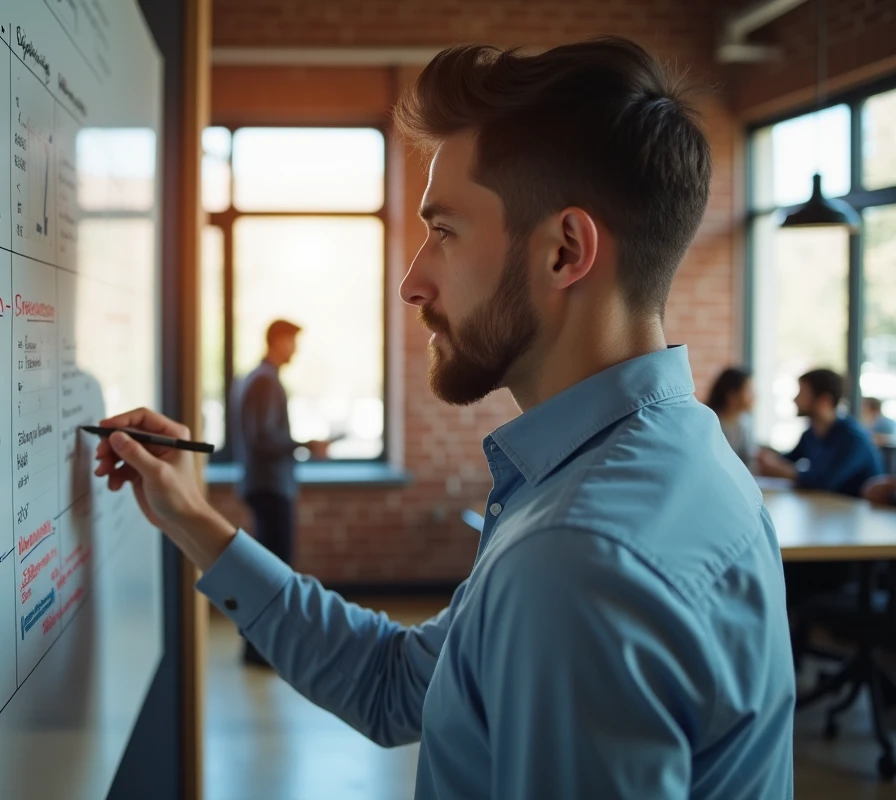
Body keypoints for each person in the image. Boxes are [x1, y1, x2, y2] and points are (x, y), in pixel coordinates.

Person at [96, 37, 794, 798]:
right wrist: (192, 517)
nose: (412, 281)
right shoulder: (687, 454)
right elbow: (396, 685)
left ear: (565, 252)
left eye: (445, 231)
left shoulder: (575, 558)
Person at [230, 319, 329, 665]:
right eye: (292, 342)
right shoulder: (264, 381)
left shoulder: (258, 378)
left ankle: (258, 647)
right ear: (277, 340)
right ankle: (259, 649)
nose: (295, 350)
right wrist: (306, 444)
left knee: (268, 569)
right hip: (269, 486)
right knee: (273, 571)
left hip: (265, 485)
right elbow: (262, 440)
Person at [757, 369, 883, 497]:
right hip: (827, 505)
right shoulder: (811, 434)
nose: (795, 399)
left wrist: (781, 470)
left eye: (802, 393)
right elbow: (788, 459)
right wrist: (768, 459)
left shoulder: (853, 438)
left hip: (857, 507)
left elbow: (824, 482)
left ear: (824, 400)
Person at [706, 366, 756, 467]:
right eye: (748, 390)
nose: (754, 396)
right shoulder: (710, 424)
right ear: (731, 395)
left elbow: (748, 460)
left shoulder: (745, 421)